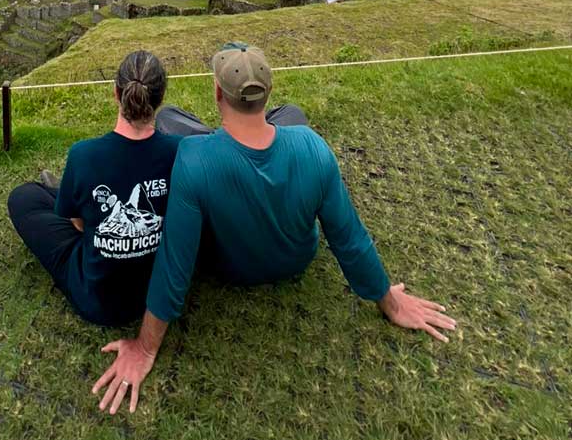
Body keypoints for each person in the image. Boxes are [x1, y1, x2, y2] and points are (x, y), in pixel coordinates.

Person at [92, 43, 457, 414]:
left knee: (169, 118)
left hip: (229, 268)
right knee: (293, 117)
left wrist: (146, 347)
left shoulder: (192, 158)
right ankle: (250, 127)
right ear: (267, 92)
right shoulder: (313, 147)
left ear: (218, 92)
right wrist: (390, 302)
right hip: (296, 260)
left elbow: (174, 265)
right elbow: (350, 239)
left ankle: (226, 134)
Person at [8, 50, 182, 327]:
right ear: (161, 98)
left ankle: (64, 192)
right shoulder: (179, 151)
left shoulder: (84, 155)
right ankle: (67, 193)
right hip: (153, 293)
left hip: (98, 300)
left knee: (24, 197)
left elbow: (77, 225)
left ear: (116, 92)